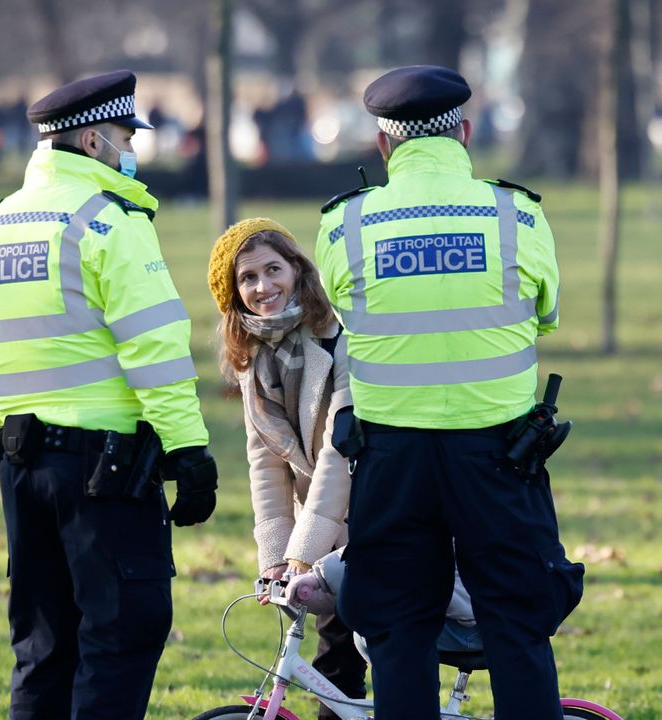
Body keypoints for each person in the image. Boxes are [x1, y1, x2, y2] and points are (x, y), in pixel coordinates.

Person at [313, 66, 585, 719]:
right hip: (500, 458)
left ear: (383, 145)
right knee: (517, 626)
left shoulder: (343, 226)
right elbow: (545, 314)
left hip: (391, 463)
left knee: (399, 632)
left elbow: (348, 313)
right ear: (464, 133)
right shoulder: (517, 214)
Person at [0, 69, 217, 720]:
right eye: (128, 135)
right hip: (108, 474)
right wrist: (188, 451)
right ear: (94, 141)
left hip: (21, 462)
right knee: (123, 633)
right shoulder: (109, 223)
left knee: (44, 649)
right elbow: (154, 348)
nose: (135, 149)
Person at [206, 217, 366, 717]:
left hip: (366, 508)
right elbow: (266, 460)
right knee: (334, 656)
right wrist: (277, 555)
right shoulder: (253, 357)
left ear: (297, 270)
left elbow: (339, 452)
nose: (263, 287)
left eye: (273, 269)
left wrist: (302, 552)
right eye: (247, 279)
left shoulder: (338, 339)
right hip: (322, 524)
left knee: (363, 648)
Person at [281, 548, 483, 659]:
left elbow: (391, 539)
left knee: (379, 632)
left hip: (476, 621)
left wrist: (319, 577)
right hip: (487, 610)